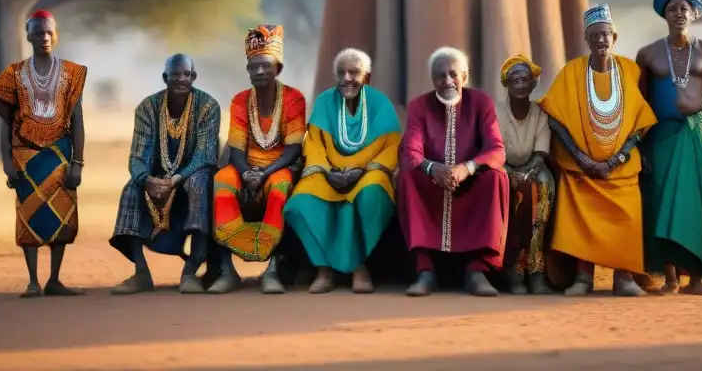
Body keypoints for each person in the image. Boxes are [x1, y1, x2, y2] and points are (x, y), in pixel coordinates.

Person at [539, 3, 657, 297]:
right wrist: (581, 158)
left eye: (606, 35)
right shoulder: (571, 72)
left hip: (621, 170)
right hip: (582, 170)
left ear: (614, 38)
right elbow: (554, 118)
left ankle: (624, 277)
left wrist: (616, 159)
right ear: (587, 40)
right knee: (580, 214)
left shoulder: (629, 71)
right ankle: (583, 278)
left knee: (627, 214)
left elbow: (639, 125)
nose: (602, 40)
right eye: (596, 36)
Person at [0, 9, 88, 298]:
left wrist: (78, 163)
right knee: (28, 216)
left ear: (56, 35)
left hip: (61, 154)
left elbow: (78, 121)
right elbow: (6, 121)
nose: (44, 37)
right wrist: (6, 160)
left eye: (49, 32)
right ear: (28, 36)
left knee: (63, 216)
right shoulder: (14, 74)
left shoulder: (72, 73)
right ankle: (33, 281)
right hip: (25, 155)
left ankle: (54, 280)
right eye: (38, 32)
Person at [284, 48, 402, 294]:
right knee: (302, 201)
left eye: (354, 72)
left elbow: (390, 146)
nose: (347, 78)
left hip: (368, 171)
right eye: (341, 72)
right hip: (328, 172)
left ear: (367, 77)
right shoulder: (326, 101)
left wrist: (361, 170)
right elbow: (314, 143)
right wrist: (327, 171)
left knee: (371, 193)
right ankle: (323, 270)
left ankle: (359, 268)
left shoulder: (380, 103)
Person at [636, 0, 702, 296]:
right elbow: (640, 105)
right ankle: (670, 278)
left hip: (697, 135)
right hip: (660, 136)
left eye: (684, 8)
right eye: (672, 9)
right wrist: (640, 147)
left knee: (698, 203)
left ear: (694, 14)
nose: (678, 13)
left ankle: (698, 278)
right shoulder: (647, 54)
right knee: (662, 203)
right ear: (664, 14)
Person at [397, 47, 510, 297]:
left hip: (469, 182)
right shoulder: (419, 106)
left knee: (496, 176)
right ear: (432, 80)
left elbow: (496, 149)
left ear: (465, 77)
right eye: (440, 76)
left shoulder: (481, 102)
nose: (447, 81)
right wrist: (431, 167)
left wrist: (467, 168)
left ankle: (476, 271)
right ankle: (425, 270)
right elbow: (411, 152)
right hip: (431, 182)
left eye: (453, 74)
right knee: (408, 175)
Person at [109, 54, 221, 294]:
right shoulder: (148, 108)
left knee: (200, 184)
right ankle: (141, 273)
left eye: (187, 74)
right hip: (156, 180)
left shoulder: (207, 107)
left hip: (191, 177)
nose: (182, 79)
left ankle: (190, 271)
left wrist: (176, 179)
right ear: (165, 78)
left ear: (194, 77)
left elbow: (205, 155)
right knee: (131, 189)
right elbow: (138, 155)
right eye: (176, 74)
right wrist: (147, 180)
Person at [209, 24, 306, 294]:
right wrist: (246, 172)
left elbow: (293, 150)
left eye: (266, 66)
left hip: (279, 167)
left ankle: (272, 270)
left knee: (280, 186)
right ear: (248, 70)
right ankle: (227, 271)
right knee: (221, 180)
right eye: (254, 67)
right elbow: (236, 147)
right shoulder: (241, 101)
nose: (260, 71)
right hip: (246, 168)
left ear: (279, 69)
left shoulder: (294, 99)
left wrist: (263, 173)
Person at [496, 54, 554, 295]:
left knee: (542, 186)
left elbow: (541, 153)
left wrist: (529, 171)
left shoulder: (540, 113)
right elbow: (494, 149)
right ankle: (515, 270)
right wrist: (510, 171)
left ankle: (536, 269)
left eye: (525, 79)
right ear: (506, 85)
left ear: (533, 84)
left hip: (533, 167)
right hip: (502, 167)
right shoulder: (496, 111)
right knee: (511, 190)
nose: (520, 84)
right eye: (515, 80)